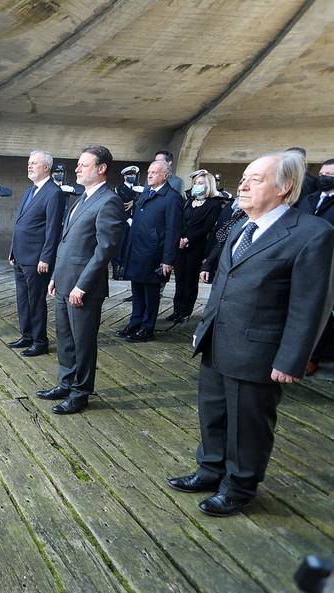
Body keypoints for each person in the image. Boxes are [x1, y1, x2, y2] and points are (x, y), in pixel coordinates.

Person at [168, 151, 334, 517]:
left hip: (259, 351)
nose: (242, 184)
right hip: (217, 342)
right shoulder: (244, 225)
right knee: (212, 413)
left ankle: (239, 487)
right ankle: (210, 470)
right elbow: (224, 285)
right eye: (243, 176)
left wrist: (293, 358)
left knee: (248, 426)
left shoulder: (311, 233)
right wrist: (203, 328)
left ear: (285, 187)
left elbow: (311, 304)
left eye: (255, 179)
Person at [36, 145, 127, 414]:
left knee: (83, 342)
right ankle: (66, 383)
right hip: (64, 282)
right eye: (78, 164)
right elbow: (68, 244)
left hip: (83, 288)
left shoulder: (109, 201)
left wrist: (82, 285)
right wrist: (55, 276)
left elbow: (104, 249)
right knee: (65, 339)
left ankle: (80, 393)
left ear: (101, 169)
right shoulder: (83, 197)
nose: (77, 168)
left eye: (83, 164)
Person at [117, 159, 183, 342]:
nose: (150, 175)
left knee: (151, 293)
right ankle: (135, 322)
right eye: (150, 172)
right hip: (137, 250)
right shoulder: (146, 193)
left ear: (166, 176)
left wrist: (168, 260)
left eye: (155, 172)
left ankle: (147, 327)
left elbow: (173, 231)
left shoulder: (172, 198)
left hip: (154, 254)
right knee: (137, 289)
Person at [8, 150, 66, 357]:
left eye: (34, 163)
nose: (30, 166)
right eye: (29, 163)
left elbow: (53, 229)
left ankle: (40, 341)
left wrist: (46, 258)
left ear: (46, 167)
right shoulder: (29, 191)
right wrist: (12, 251)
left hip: (37, 258)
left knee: (36, 300)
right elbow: (20, 223)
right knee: (23, 299)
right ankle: (27, 335)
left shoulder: (54, 193)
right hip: (21, 255)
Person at [293, 158, 334, 374]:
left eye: (330, 175)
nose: (325, 178)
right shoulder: (309, 199)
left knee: (321, 311)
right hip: (302, 261)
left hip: (328, 264)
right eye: (323, 173)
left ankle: (313, 356)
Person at [168, 169, 223, 324]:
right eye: (195, 183)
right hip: (180, 245)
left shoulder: (214, 204)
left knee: (190, 280)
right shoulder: (188, 202)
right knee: (179, 278)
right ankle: (176, 310)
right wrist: (179, 238)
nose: (197, 186)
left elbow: (207, 226)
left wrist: (188, 239)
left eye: (201, 183)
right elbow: (180, 222)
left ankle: (185, 311)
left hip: (196, 246)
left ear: (208, 185)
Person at [112, 165, 143, 279]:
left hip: (136, 222)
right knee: (119, 246)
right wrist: (127, 218)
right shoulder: (119, 189)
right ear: (125, 176)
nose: (132, 177)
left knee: (130, 247)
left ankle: (125, 271)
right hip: (122, 222)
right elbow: (117, 207)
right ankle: (116, 270)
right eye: (130, 175)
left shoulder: (140, 189)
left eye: (134, 175)